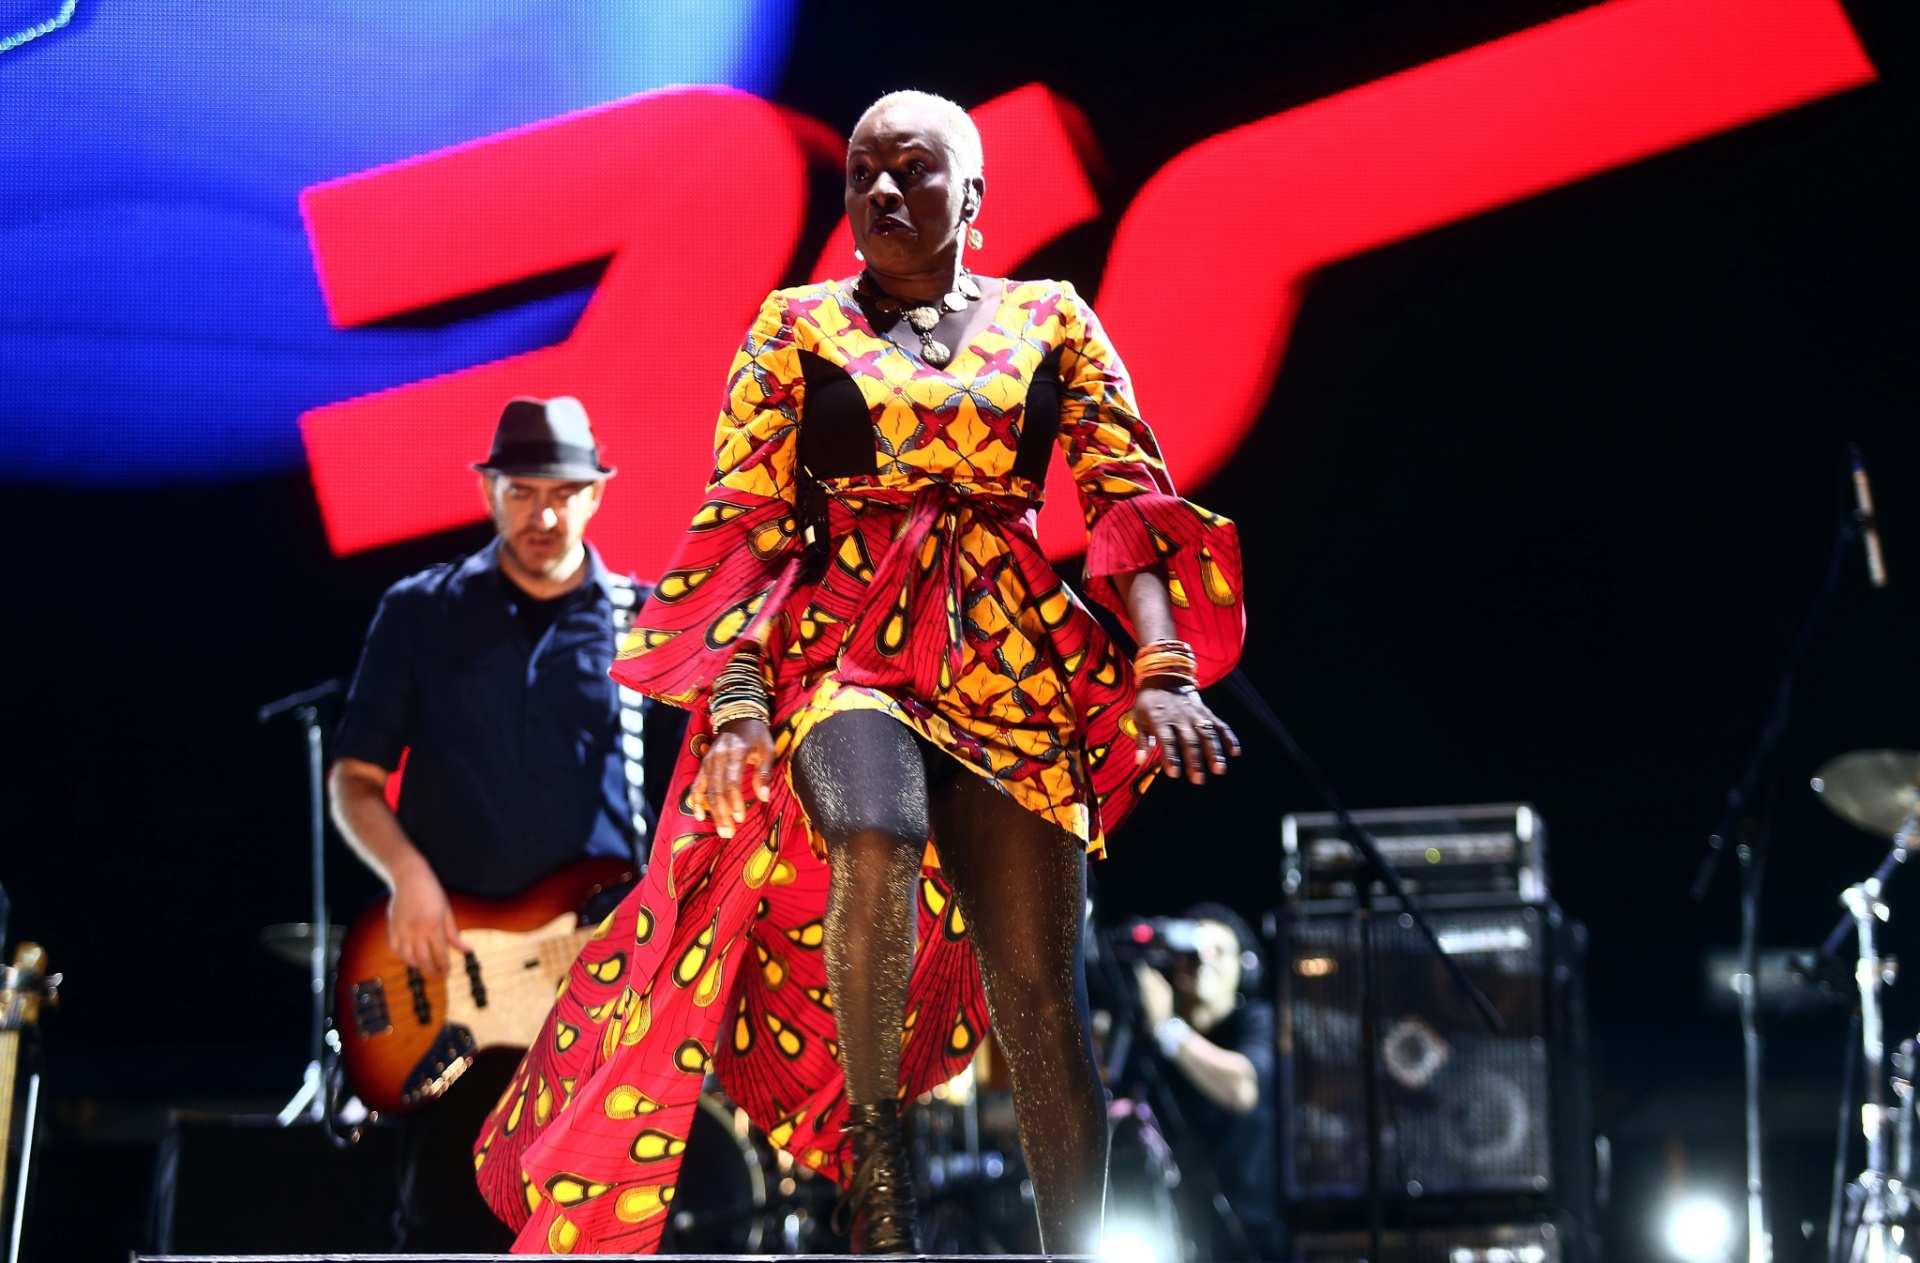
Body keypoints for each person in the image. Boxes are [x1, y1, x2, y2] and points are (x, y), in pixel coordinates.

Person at [472, 89, 1248, 1256]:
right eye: (862, 175)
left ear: (974, 199)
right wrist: (735, 703)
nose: (882, 190)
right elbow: (742, 524)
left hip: (1009, 665)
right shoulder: (795, 326)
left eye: (915, 170)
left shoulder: (1051, 319)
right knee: (873, 833)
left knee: (1041, 999)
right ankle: (880, 1185)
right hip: (845, 647)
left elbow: (1127, 498)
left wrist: (1164, 666)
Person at [328, 396, 678, 1252]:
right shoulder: (419, 612)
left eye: (562, 492)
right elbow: (355, 780)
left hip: (591, 991)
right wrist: (408, 878)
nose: (543, 514)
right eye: (522, 491)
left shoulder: (645, 624)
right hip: (449, 985)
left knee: (592, 1229)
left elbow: (687, 806)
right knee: (444, 1227)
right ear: (488, 491)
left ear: (597, 494)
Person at [1135, 904, 1281, 1259]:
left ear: (1244, 966)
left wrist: (1167, 1029)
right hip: (1166, 1231)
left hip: (1249, 1237)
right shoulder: (1144, 1031)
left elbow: (1242, 1089)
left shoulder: (1255, 1021)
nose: (1203, 959)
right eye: (1191, 949)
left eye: (1218, 950)